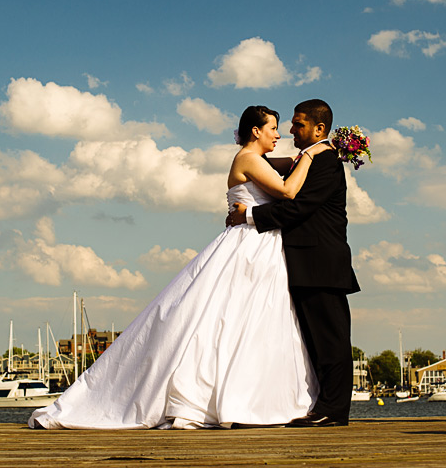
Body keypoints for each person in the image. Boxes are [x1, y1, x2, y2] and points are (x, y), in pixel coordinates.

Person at [28, 105, 331, 430]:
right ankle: (232, 397)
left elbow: (289, 165)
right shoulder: (248, 159)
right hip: (249, 246)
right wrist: (317, 152)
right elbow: (287, 190)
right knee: (232, 317)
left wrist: (312, 155)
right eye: (273, 128)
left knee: (253, 319)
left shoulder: (260, 161)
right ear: (256, 131)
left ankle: (256, 395)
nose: (279, 134)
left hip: (263, 245)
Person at [226, 99, 359, 427]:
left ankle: (333, 410)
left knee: (331, 339)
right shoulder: (307, 158)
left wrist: (249, 215)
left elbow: (298, 207)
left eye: (298, 124)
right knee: (313, 340)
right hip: (303, 261)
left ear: (319, 129)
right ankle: (320, 404)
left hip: (321, 262)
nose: (290, 129)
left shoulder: (325, 161)